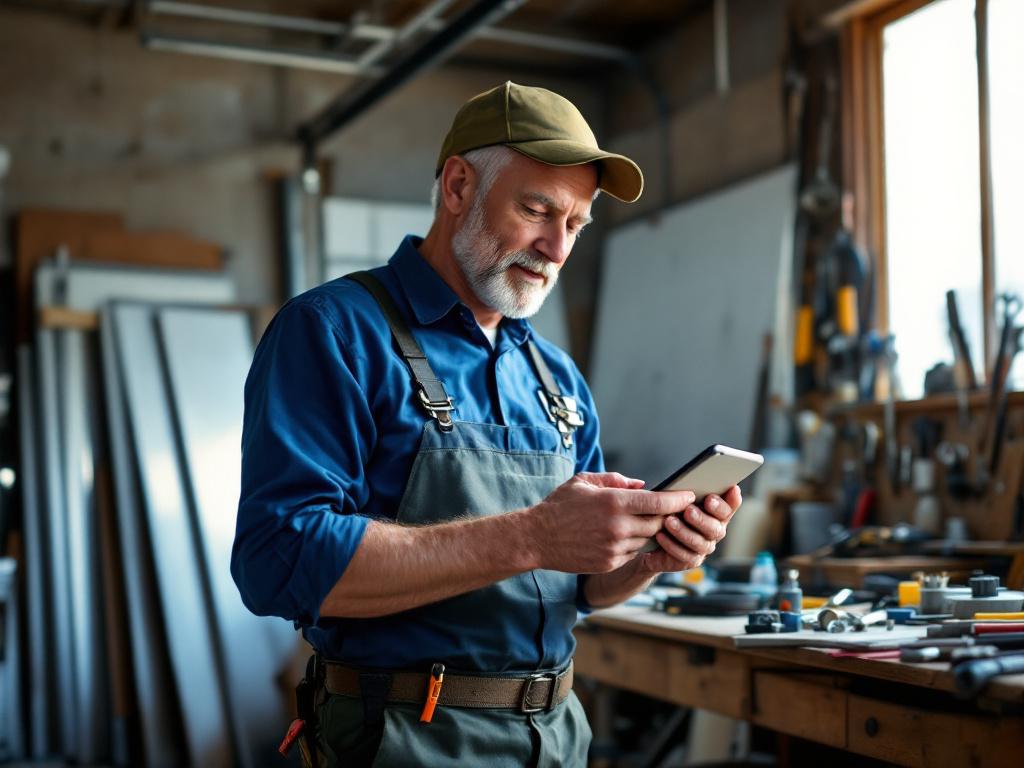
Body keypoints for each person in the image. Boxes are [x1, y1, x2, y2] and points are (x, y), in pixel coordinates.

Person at [232, 81, 741, 768]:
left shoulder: (557, 378)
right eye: (538, 210)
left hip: (555, 740)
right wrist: (534, 534)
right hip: (400, 742)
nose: (557, 248)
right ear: (458, 185)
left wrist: (646, 558)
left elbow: (576, 588)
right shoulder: (334, 332)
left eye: (576, 226)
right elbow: (277, 560)